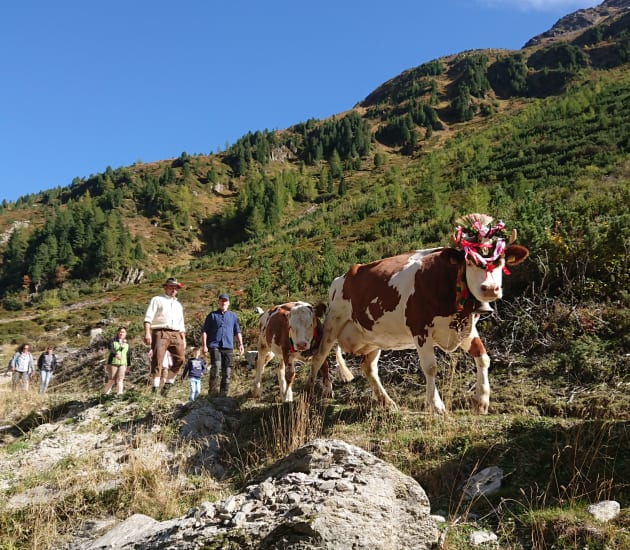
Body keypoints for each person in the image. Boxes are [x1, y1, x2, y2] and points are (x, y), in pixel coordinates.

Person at [143, 277, 186, 396]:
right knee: (158, 360)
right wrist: (147, 333)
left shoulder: (178, 304)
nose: (174, 289)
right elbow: (148, 317)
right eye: (171, 287)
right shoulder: (157, 299)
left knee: (180, 359)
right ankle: (155, 389)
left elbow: (181, 323)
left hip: (176, 333)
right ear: (165, 287)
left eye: (176, 287)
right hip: (160, 331)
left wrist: (183, 338)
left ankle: (167, 385)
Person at [201, 293, 244, 396]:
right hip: (214, 345)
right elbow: (204, 331)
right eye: (221, 301)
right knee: (216, 367)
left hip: (228, 346)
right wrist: (204, 346)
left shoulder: (233, 316)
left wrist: (241, 344)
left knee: (227, 371)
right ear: (218, 302)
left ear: (228, 303)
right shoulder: (212, 315)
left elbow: (237, 331)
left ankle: (223, 394)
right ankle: (212, 392)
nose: (223, 303)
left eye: (225, 301)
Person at [103, 327, 131, 396]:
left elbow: (128, 354)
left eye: (123, 332)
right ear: (118, 332)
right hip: (112, 363)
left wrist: (129, 365)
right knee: (111, 380)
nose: (121, 333)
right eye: (120, 332)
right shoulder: (113, 340)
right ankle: (105, 394)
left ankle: (119, 394)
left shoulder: (127, 343)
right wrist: (115, 354)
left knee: (120, 379)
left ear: (126, 333)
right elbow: (111, 349)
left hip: (123, 363)